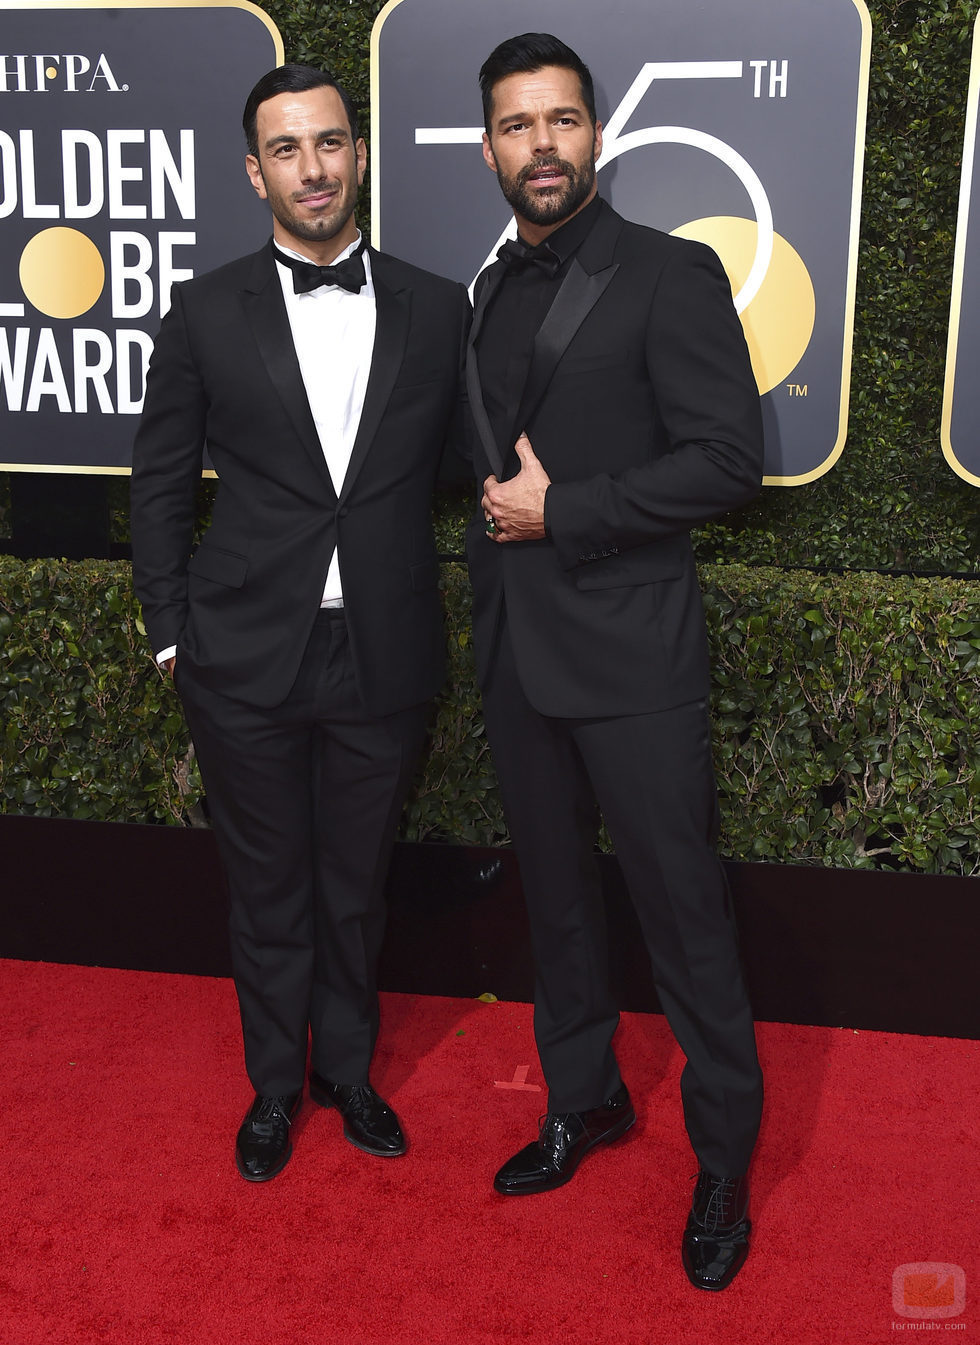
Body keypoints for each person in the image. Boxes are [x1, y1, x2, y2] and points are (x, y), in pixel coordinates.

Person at [130, 64, 468, 1183]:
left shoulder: (436, 306)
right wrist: (172, 632)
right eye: (287, 149)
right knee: (269, 884)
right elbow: (160, 485)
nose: (312, 168)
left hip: (382, 646)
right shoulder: (202, 308)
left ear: (357, 155)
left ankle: (349, 1074)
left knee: (354, 881)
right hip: (240, 654)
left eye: (329, 143)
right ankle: (275, 1085)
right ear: (254, 170)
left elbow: (472, 463)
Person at [466, 34, 765, 1290]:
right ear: (489, 146)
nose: (540, 144)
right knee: (557, 906)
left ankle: (723, 1161)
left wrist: (566, 510)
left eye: (561, 120)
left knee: (683, 919)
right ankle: (580, 1098)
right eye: (515, 125)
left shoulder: (669, 271)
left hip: (635, 656)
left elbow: (723, 461)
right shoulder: (484, 291)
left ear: (596, 135)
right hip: (516, 658)